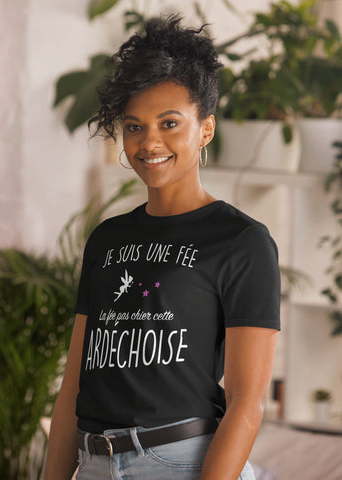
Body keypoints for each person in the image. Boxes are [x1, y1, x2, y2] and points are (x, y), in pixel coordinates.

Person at [43, 15, 280, 480]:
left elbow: (246, 402)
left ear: (205, 128)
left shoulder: (240, 241)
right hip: (94, 464)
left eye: (169, 123)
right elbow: (74, 385)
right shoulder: (107, 239)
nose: (149, 142)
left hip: (182, 463)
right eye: (134, 127)